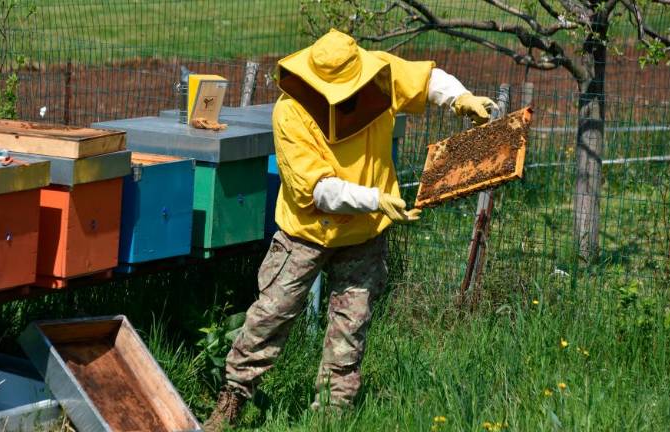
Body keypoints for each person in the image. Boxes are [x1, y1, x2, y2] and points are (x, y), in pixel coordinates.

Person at [204, 28, 496, 431]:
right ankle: (232, 401)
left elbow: (426, 79)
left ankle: (330, 417)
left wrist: (460, 97)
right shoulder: (290, 112)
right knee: (270, 316)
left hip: (364, 235)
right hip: (306, 234)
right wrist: (376, 199)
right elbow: (319, 190)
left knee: (350, 327)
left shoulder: (377, 72)